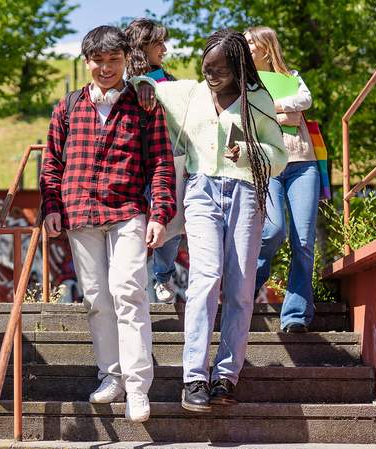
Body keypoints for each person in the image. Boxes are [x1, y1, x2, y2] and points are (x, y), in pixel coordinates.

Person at [132, 28, 287, 412]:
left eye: (220, 70)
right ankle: (195, 377)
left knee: (239, 288)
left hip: (247, 193)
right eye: (206, 68)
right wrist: (144, 86)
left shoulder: (258, 99)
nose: (211, 76)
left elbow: (279, 156)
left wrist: (250, 151)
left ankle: (226, 377)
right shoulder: (189, 93)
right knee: (206, 277)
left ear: (238, 68)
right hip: (200, 191)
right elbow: (134, 81)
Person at [40, 25, 176, 423]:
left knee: (129, 292)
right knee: (97, 299)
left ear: (125, 60)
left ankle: (137, 386)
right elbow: (51, 163)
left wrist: (160, 213)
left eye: (113, 59)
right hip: (79, 214)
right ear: (86, 62)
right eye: (97, 60)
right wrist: (51, 205)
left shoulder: (145, 104)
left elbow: (162, 165)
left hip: (128, 212)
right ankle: (110, 376)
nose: (105, 67)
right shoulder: (67, 107)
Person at [244, 26, 318, 333]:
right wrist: (283, 112)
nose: (245, 48)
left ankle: (295, 317)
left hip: (303, 164)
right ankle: (244, 295)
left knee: (303, 242)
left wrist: (268, 108)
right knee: (272, 232)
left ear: (265, 47)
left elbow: (305, 102)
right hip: (267, 164)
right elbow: (244, 116)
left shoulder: (292, 77)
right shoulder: (242, 83)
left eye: (250, 43)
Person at [125, 18, 181, 304]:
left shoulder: (167, 81)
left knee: (169, 223)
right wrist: (141, 82)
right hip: (128, 164)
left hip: (162, 161)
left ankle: (163, 275)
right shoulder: (119, 76)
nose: (165, 49)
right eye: (159, 43)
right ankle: (131, 283)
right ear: (142, 45)